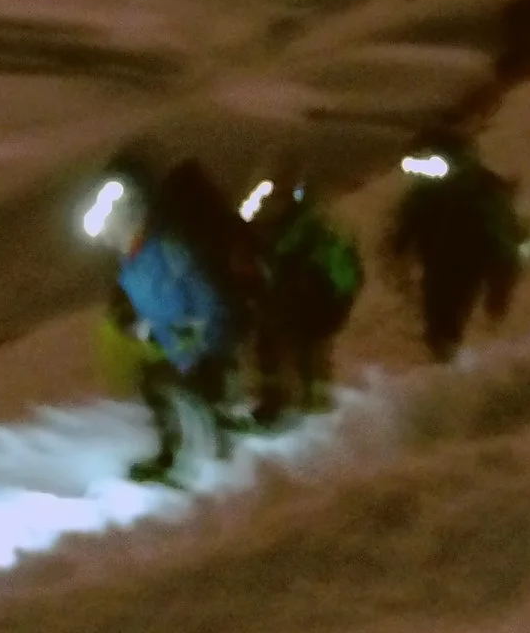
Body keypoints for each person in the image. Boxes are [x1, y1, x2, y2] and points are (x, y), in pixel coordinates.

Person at [80, 155, 249, 483]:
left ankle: (220, 463)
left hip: (208, 344)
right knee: (157, 383)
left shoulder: (166, 248)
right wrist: (144, 329)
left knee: (188, 390)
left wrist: (202, 342)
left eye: (112, 227)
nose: (109, 236)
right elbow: (159, 311)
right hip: (183, 346)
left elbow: (203, 295)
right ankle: (188, 455)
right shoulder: (132, 265)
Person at [387, 130, 522, 361]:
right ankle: (443, 359)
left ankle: (456, 364)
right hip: (437, 264)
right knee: (438, 320)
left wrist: (499, 286)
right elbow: (410, 220)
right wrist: (398, 248)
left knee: (451, 316)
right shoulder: (425, 193)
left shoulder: (483, 193)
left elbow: (499, 241)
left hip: (470, 264)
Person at [242, 168, 363, 423]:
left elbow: (335, 271)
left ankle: (308, 404)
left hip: (310, 302)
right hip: (291, 300)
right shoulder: (284, 224)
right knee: (274, 345)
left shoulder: (312, 229)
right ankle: (284, 400)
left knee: (299, 347)